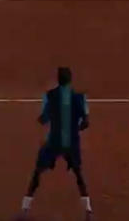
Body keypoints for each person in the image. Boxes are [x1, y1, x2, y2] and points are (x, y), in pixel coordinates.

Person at [18, 67, 92, 221]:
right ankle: (88, 211)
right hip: (71, 143)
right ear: (70, 80)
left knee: (37, 173)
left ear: (58, 79)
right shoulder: (80, 98)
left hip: (54, 143)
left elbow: (43, 119)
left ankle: (25, 210)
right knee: (78, 175)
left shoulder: (49, 96)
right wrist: (75, 128)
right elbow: (86, 123)